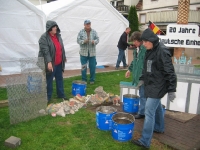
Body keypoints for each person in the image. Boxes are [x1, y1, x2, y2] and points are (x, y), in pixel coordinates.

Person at [132, 28, 177, 148]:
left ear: (151, 40)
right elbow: (145, 67)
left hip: (158, 86)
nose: (144, 44)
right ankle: (159, 127)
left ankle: (145, 141)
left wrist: (172, 89)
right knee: (156, 108)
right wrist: (142, 79)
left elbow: (170, 72)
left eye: (146, 42)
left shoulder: (162, 51)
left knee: (148, 111)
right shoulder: (149, 49)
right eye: (143, 42)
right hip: (151, 84)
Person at [38, 20, 67, 102]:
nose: (56, 28)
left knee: (59, 79)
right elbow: (45, 51)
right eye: (54, 27)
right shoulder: (44, 38)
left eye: (56, 26)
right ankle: (48, 97)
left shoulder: (58, 36)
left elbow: (61, 47)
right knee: (49, 80)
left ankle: (61, 94)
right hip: (51, 63)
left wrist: (63, 57)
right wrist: (49, 62)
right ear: (50, 28)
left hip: (59, 62)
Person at [125, 31, 146, 119]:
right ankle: (143, 111)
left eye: (135, 41)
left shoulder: (144, 49)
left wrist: (143, 75)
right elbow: (134, 61)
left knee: (143, 95)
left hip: (144, 76)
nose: (133, 43)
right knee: (142, 94)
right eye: (133, 41)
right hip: (139, 75)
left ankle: (142, 113)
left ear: (140, 40)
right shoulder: (136, 50)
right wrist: (129, 70)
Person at [77, 20, 99, 84]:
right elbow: (78, 40)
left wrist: (94, 42)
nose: (88, 25)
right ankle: (84, 80)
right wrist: (84, 41)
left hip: (92, 53)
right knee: (83, 67)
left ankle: (92, 79)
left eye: (89, 24)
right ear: (84, 25)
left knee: (92, 67)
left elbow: (98, 39)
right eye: (87, 24)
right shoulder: (81, 32)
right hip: (83, 53)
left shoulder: (94, 31)